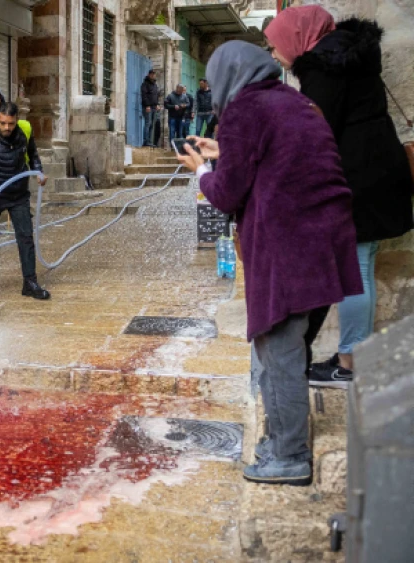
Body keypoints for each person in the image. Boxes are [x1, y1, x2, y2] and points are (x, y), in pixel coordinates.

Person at [175, 41, 362, 486]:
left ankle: (288, 456)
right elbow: (276, 155)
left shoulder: (243, 109)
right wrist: (225, 150)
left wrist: (202, 169)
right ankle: (283, 440)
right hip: (327, 242)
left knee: (277, 354)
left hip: (288, 246)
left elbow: (226, 195)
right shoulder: (295, 101)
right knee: (292, 352)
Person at [265, 6, 414, 385]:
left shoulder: (325, 67)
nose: (274, 53)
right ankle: (353, 356)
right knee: (359, 264)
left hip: (358, 180)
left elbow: (313, 129)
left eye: (275, 44)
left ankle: (351, 362)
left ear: (296, 37)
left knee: (355, 270)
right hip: (378, 171)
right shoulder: (350, 55)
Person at [0, 102, 49, 300]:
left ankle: (30, 283)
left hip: (18, 195)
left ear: (16, 120)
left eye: (10, 124)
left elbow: (33, 154)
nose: (6, 128)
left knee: (26, 238)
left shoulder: (25, 130)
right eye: (3, 123)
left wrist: (39, 171)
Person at [140, 70, 161, 147]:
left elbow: (156, 96)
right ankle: (146, 141)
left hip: (154, 107)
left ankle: (149, 141)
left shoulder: (155, 85)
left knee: (152, 124)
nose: (153, 76)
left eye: (154, 74)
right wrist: (147, 105)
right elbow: (144, 96)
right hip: (148, 107)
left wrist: (157, 104)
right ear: (149, 75)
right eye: (151, 74)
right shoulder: (145, 84)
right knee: (147, 123)